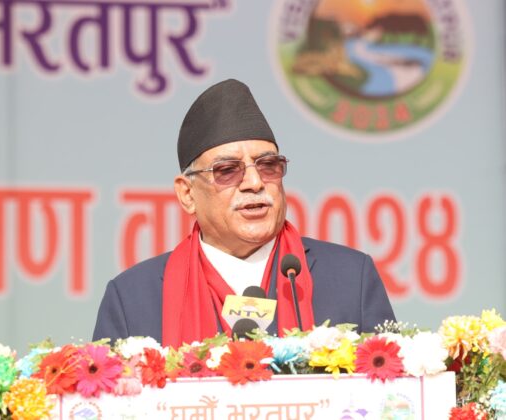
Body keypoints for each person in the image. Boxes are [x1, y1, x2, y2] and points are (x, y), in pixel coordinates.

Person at [93, 79, 395, 347]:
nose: (254, 182)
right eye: (227, 170)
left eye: (268, 165)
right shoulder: (133, 298)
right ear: (187, 194)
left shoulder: (350, 278)